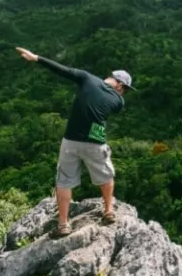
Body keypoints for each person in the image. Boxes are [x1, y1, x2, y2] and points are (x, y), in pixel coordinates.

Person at [15, 46, 136, 238]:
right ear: (120, 86)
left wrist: (36, 58)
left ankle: (63, 225)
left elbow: (62, 70)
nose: (124, 95)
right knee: (106, 176)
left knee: (64, 181)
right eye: (125, 91)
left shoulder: (87, 78)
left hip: (71, 140)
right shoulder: (118, 102)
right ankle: (109, 211)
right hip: (95, 142)